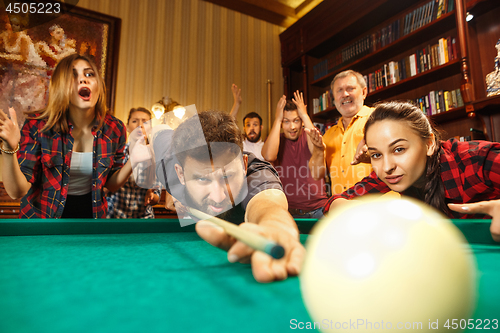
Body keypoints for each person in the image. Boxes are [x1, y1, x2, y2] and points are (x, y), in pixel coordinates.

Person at [154, 110, 304, 282]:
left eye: (227, 177)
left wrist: (276, 226)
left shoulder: (256, 173)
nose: (218, 197)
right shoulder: (167, 163)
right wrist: (172, 188)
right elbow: (159, 130)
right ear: (180, 175)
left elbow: (268, 202)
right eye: (202, 178)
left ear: (243, 164)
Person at [325, 101, 500, 242]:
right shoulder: (392, 173)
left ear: (429, 144)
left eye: (399, 149)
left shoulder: (477, 160)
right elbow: (334, 202)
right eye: (376, 154)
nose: (386, 167)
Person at [0, 53, 132, 218]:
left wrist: (134, 161)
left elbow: (111, 184)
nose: (83, 79)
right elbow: (17, 192)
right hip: (42, 224)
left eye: (89, 74)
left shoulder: (115, 128)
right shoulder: (37, 125)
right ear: (60, 86)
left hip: (91, 222)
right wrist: (8, 148)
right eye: (73, 75)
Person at [261, 91, 328, 218]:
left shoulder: (311, 135)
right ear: (281, 123)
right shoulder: (276, 140)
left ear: (302, 121)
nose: (292, 126)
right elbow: (269, 156)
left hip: (318, 208)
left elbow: (316, 150)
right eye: (286, 121)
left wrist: (304, 114)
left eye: (296, 120)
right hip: (288, 211)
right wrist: (278, 119)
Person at [320, 70, 375, 194]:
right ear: (334, 99)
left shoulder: (379, 118)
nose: (345, 94)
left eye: (350, 88)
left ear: (364, 92)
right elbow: (317, 174)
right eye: (339, 90)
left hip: (378, 207)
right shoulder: (327, 136)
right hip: (343, 209)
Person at [106, 107, 161, 219]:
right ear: (127, 127)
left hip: (143, 221)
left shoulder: (156, 157)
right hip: (114, 218)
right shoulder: (115, 153)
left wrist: (151, 196)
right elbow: (106, 188)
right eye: (135, 121)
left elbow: (157, 197)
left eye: (145, 122)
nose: (140, 125)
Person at [229, 84, 265, 160]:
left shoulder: (266, 147)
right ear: (244, 128)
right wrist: (237, 103)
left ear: (261, 127)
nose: (252, 128)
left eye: (255, 125)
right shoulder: (240, 145)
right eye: (248, 125)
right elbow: (228, 126)